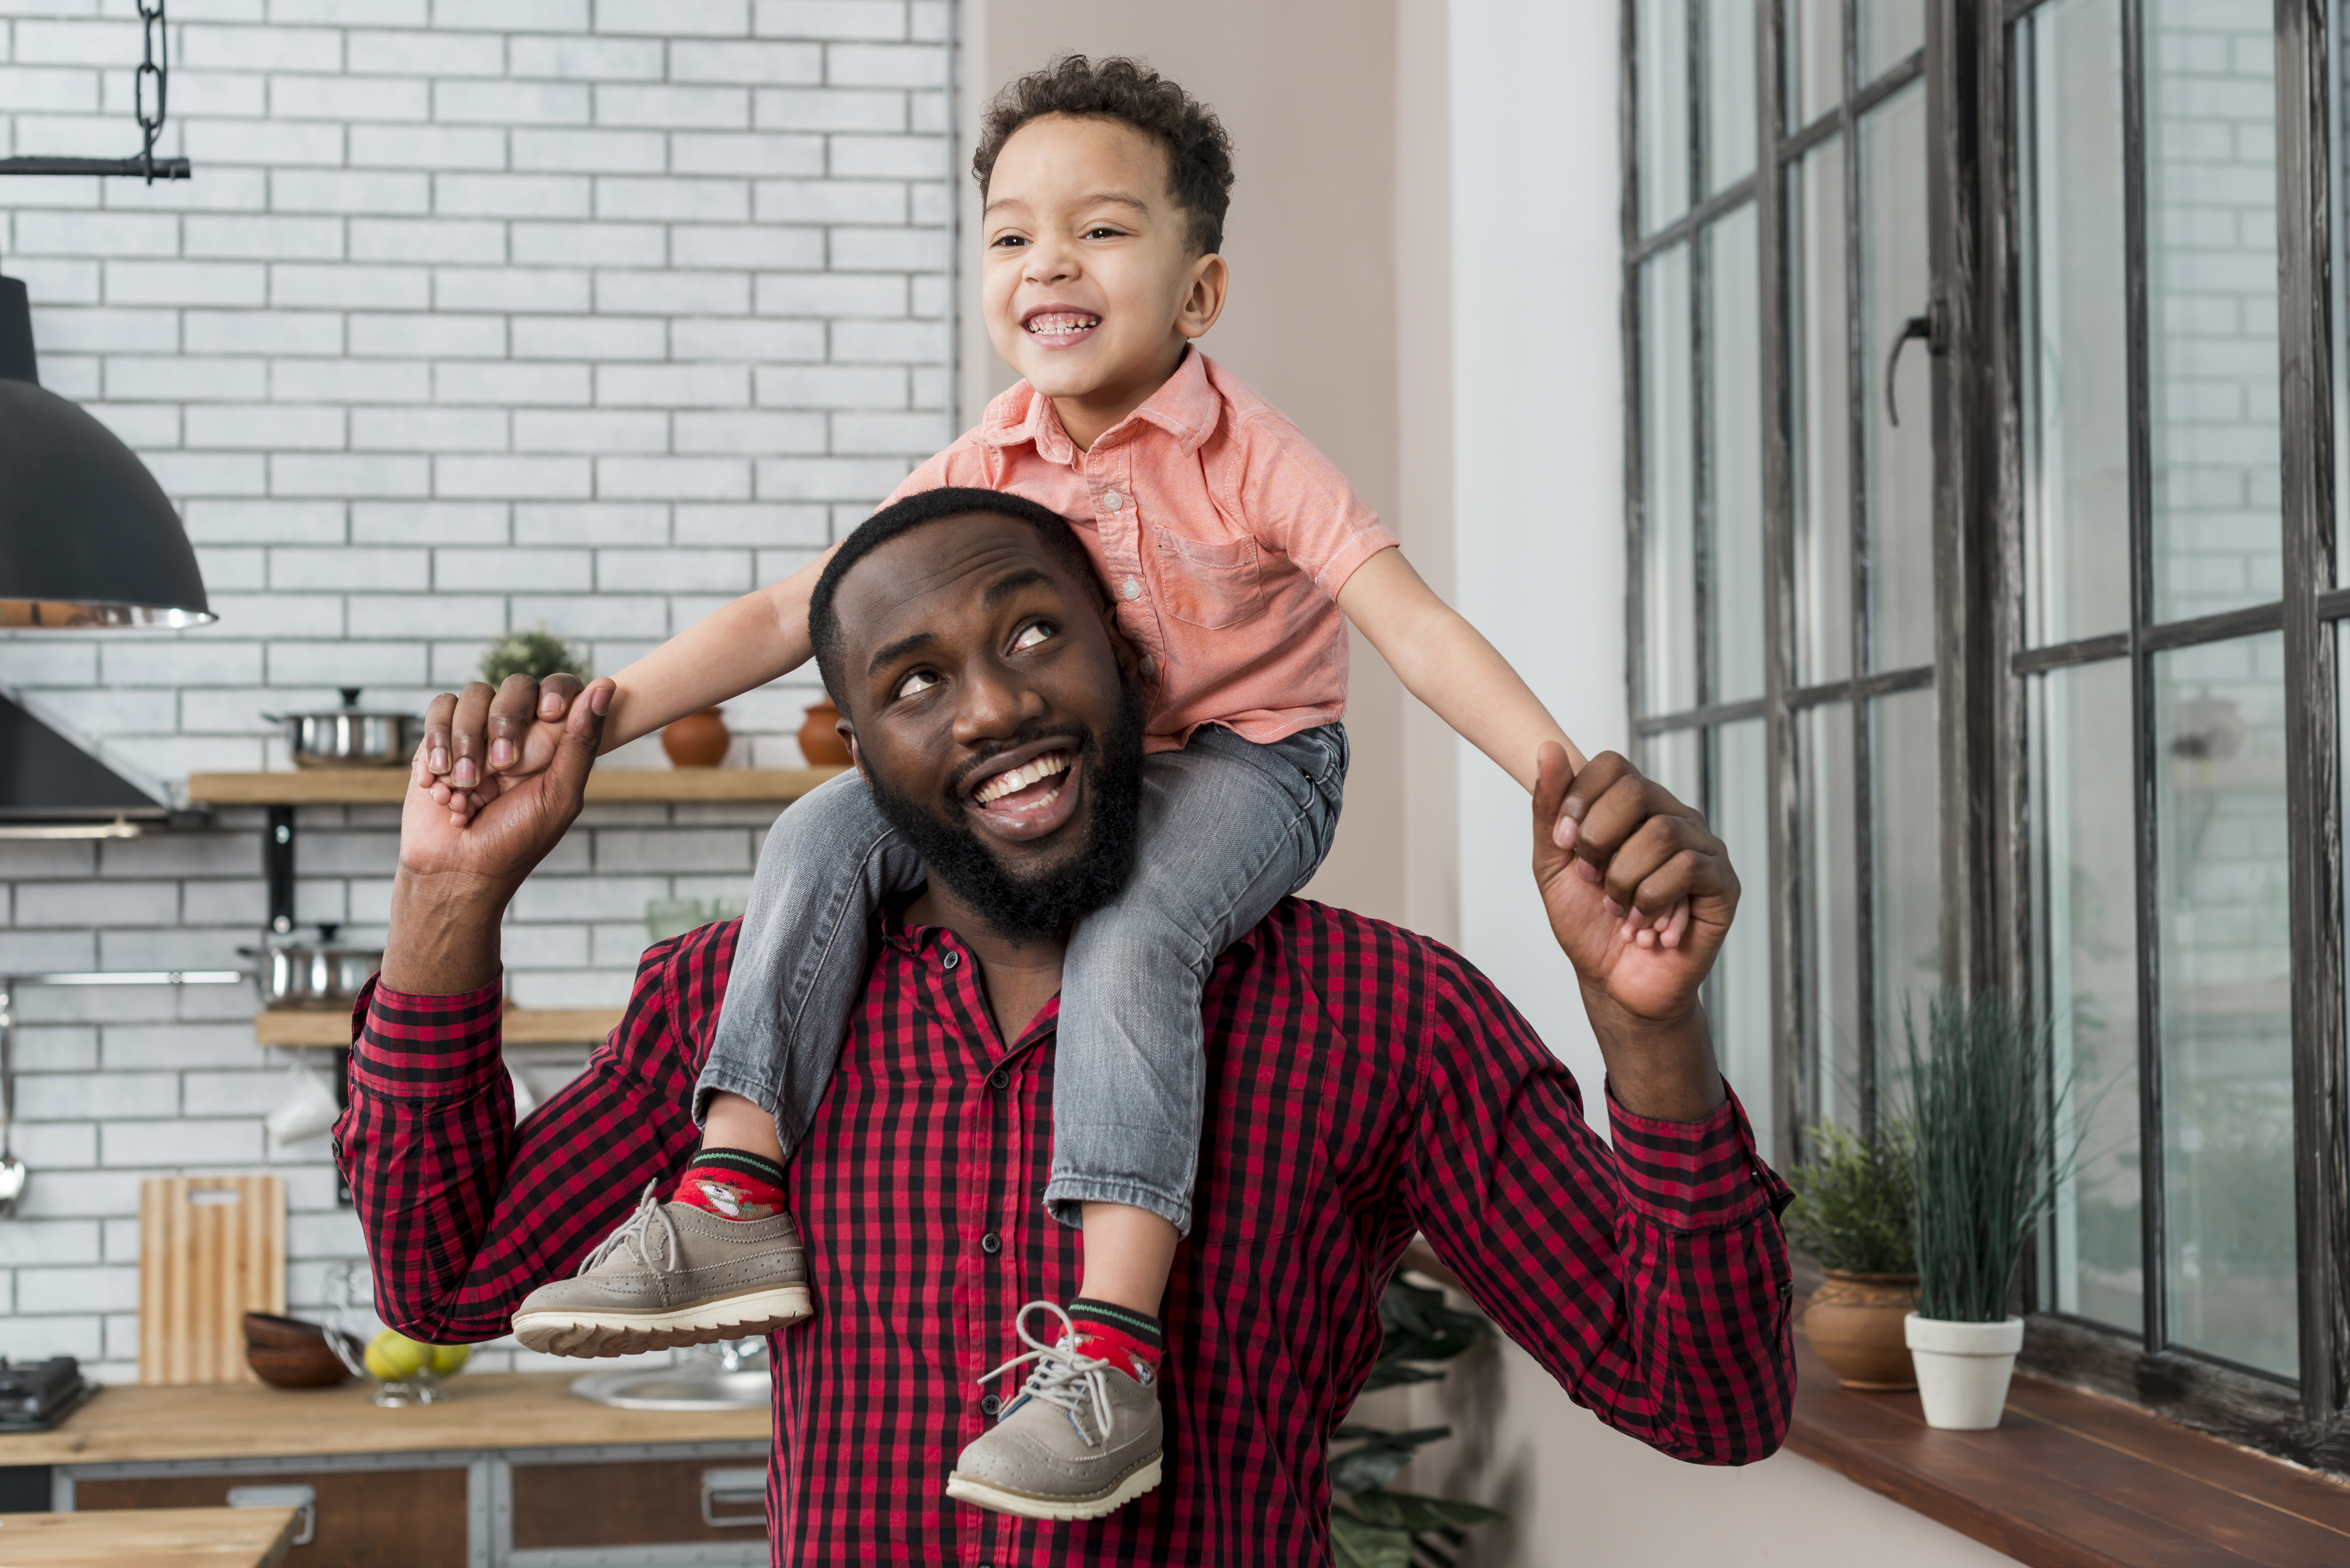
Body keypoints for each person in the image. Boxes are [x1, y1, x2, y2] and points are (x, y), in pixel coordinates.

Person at [418, 57, 1665, 1514]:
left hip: (1252, 762)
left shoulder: (1252, 456)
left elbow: (1410, 625)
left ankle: (1110, 1345)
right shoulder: (984, 465)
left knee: (1134, 932)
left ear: (1197, 294)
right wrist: (593, 720)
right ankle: (733, 1191)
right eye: (1011, 235)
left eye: (1100, 230)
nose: (1048, 261)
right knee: (818, 823)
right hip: (1101, 759)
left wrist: (1557, 776)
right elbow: (784, 618)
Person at [346, 494, 1793, 1558]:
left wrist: (1648, 1036)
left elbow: (1703, 1397)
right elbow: (445, 1280)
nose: (991, 707)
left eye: (1035, 633)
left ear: (1133, 669)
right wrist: (446, 892)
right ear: (855, 751)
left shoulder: (1377, 1016)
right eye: (912, 684)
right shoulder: (730, 1013)